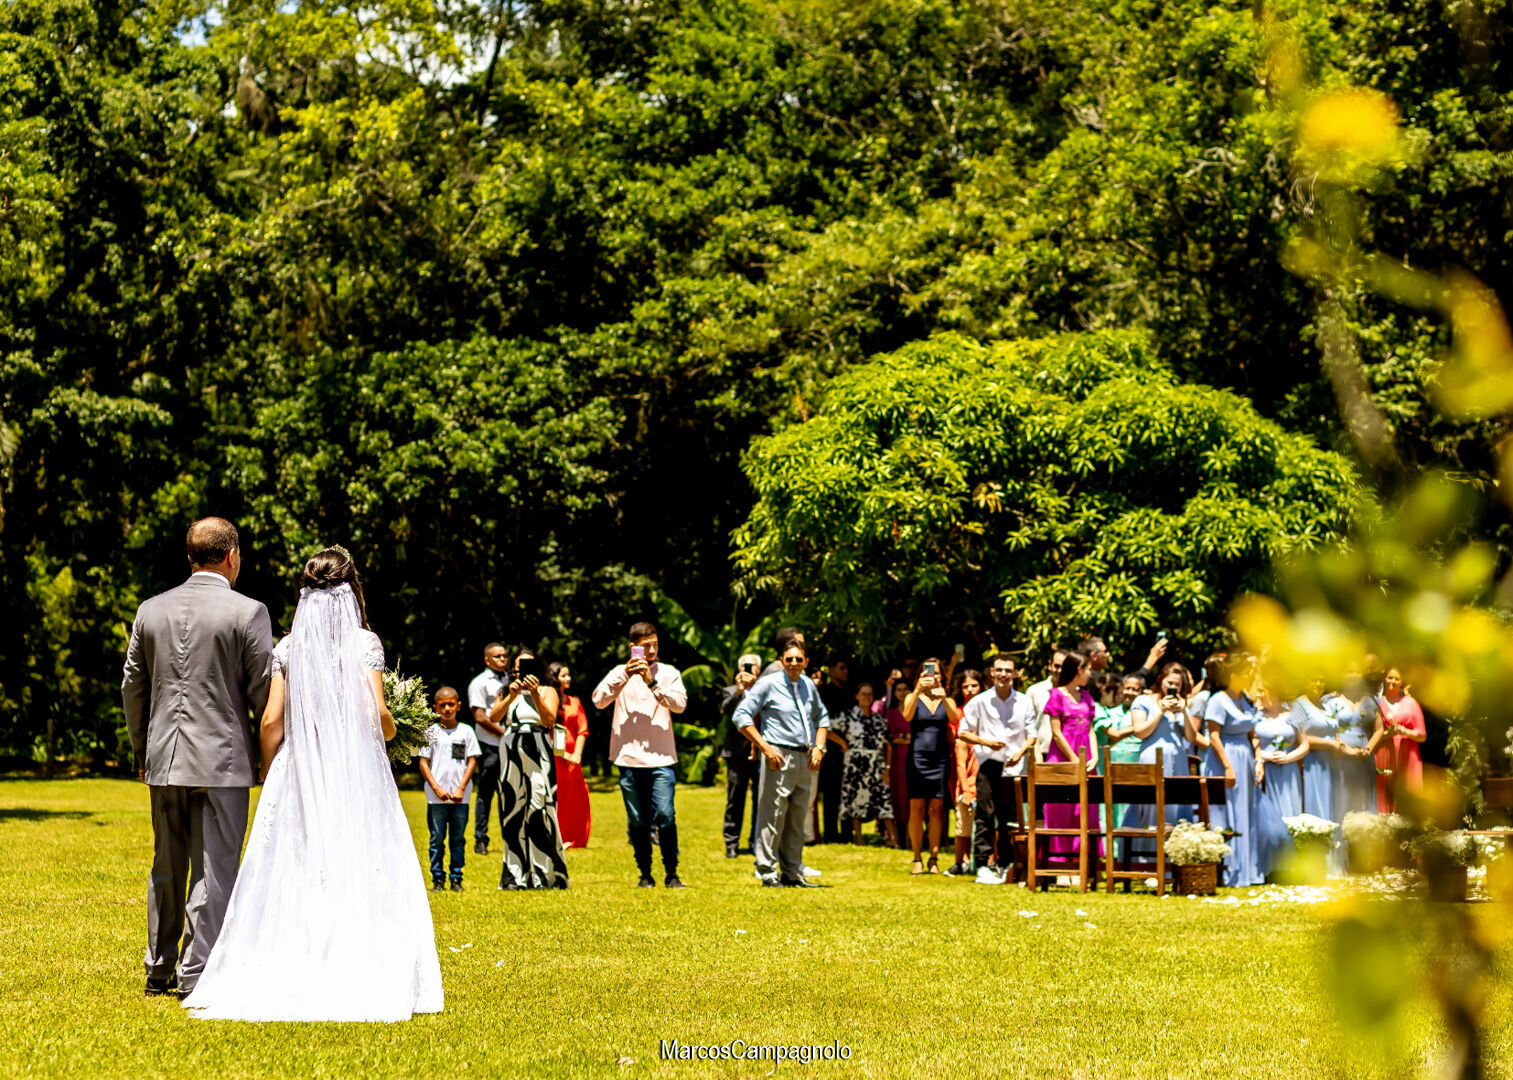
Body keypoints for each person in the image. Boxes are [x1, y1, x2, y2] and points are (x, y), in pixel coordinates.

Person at [181, 545, 442, 1021]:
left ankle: (290, 955)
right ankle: (359, 958)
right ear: (351, 590)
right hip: (354, 773)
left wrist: (267, 768)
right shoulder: (365, 645)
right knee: (358, 859)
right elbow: (378, 716)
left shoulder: (287, 648)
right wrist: (393, 729)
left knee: (291, 862)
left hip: (297, 770)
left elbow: (271, 722)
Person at [121, 517, 274, 999]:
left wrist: (141, 745)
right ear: (230, 557)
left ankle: (158, 966)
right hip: (223, 761)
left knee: (167, 864)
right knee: (215, 867)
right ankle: (197, 971)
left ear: (191, 556)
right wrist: (272, 751)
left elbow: (132, 687)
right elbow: (263, 693)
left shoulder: (150, 610)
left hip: (163, 755)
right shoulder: (249, 612)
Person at [592, 621, 688, 888]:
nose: (652, 650)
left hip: (661, 759)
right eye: (646, 646)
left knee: (666, 815)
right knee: (637, 820)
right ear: (632, 647)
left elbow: (680, 705)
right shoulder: (618, 673)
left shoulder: (668, 673)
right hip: (628, 759)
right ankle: (645, 873)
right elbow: (598, 700)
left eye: (656, 644)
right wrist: (625, 674)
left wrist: (652, 682)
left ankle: (672, 872)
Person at [733, 641, 830, 887]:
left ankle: (792, 872)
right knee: (773, 815)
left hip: (804, 756)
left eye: (799, 659)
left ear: (806, 662)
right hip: (778, 755)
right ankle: (767, 871)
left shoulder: (808, 685)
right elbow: (741, 716)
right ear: (781, 660)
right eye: (789, 659)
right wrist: (765, 747)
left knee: (797, 816)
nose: (794, 663)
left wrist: (819, 747)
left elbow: (822, 717)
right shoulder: (769, 683)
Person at [490, 649, 569, 890]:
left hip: (537, 748)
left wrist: (534, 693)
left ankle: (544, 874)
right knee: (512, 810)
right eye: (516, 667)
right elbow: (494, 717)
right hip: (511, 748)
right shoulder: (506, 691)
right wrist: (511, 696)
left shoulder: (548, 691)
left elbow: (549, 720)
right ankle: (515, 876)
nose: (519, 671)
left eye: (525, 667)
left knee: (539, 808)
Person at [957, 654, 1036, 885]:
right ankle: (982, 865)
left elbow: (1031, 735)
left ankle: (1006, 865)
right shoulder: (980, 701)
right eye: (999, 670)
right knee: (985, 814)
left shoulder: (1024, 701)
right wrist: (985, 742)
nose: (1003, 675)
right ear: (992, 673)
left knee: (1009, 818)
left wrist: (1020, 753)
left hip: (1015, 766)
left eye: (1007, 670)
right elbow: (963, 731)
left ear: (1015, 674)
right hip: (988, 763)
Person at [1202, 653, 1262, 887]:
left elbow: (1252, 732)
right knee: (1227, 811)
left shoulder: (1244, 700)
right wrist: (1228, 766)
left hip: (1245, 757)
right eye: (1247, 672)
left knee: (1246, 811)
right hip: (1225, 758)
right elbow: (1214, 735)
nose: (1251, 676)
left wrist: (1258, 759)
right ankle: (1227, 871)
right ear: (1235, 675)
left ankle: (1247, 870)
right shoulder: (1218, 700)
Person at [901, 657, 961, 875]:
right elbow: (907, 715)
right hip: (917, 758)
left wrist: (944, 697)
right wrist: (917, 690)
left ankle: (933, 858)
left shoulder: (948, 699)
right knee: (916, 809)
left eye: (936, 673)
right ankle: (917, 857)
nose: (932, 676)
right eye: (927, 672)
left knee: (936, 810)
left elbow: (954, 720)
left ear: (941, 676)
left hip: (940, 759)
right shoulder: (912, 696)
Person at [1125, 663, 1195, 850]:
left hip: (1178, 764)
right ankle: (1145, 861)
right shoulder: (1144, 701)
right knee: (1150, 809)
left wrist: (1185, 711)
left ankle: (1173, 861)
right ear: (1160, 680)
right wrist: (1160, 711)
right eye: (1169, 682)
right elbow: (1139, 731)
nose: (1173, 687)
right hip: (1152, 761)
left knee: (1175, 808)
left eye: (1178, 685)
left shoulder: (1182, 705)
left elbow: (1191, 737)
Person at [1042, 650, 1101, 864]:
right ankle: (1058, 862)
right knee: (1060, 810)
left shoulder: (1086, 696)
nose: (1090, 673)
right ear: (1078, 670)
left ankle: (1082, 863)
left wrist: (1094, 756)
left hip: (1086, 759)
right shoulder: (1056, 694)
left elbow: (1091, 729)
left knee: (1084, 810)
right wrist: (1075, 760)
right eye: (1087, 669)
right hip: (1063, 758)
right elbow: (1056, 733)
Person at [418, 687, 480, 891]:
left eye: (451, 704)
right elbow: (423, 762)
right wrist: (436, 788)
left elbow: (471, 761)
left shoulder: (466, 731)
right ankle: (437, 878)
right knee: (436, 838)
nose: (447, 708)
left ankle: (456, 877)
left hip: (459, 797)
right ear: (435, 707)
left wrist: (461, 787)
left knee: (458, 839)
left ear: (458, 706)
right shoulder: (431, 732)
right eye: (442, 705)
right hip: (437, 798)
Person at [1253, 683, 1307, 879]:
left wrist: (1288, 758)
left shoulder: (1293, 714)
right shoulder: (1255, 715)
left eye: (1261, 690)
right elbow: (1253, 743)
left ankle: (1289, 867)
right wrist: (1262, 757)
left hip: (1288, 771)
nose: (1258, 694)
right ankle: (1268, 867)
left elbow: (1304, 745)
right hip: (1265, 771)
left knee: (1289, 814)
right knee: (1267, 820)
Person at [839, 683, 898, 846]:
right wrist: (842, 742)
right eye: (863, 694)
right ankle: (858, 838)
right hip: (855, 763)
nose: (867, 698)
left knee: (884, 800)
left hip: (876, 763)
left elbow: (888, 743)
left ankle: (893, 839)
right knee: (856, 801)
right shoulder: (848, 716)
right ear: (856, 696)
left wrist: (887, 767)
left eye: (870, 694)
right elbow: (827, 728)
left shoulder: (879, 719)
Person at [720, 653, 764, 858]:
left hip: (761, 751)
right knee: (735, 799)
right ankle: (731, 842)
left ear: (759, 670)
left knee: (760, 798)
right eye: (742, 666)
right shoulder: (730, 691)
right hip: (737, 752)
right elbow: (726, 710)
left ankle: (757, 841)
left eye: (750, 666)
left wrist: (755, 687)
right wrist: (739, 691)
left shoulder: (765, 690)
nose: (745, 670)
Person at [466, 643, 509, 855]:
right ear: (487, 660)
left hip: (510, 745)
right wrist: (504, 732)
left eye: (504, 655)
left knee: (509, 793)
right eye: (497, 656)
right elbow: (479, 716)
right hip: (490, 745)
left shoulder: (511, 680)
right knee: (486, 793)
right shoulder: (479, 683)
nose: (502, 659)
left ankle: (510, 838)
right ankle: (480, 840)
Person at [1323, 665, 1378, 824]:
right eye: (1349, 671)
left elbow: (1379, 729)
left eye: (1357, 671)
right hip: (1341, 757)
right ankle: (1342, 844)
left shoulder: (1369, 700)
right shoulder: (1332, 702)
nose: (1353, 675)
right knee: (1343, 799)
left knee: (1364, 798)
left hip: (1364, 757)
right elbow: (1331, 730)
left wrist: (1369, 749)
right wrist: (1347, 750)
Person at [548, 661, 592, 849]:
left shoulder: (575, 702)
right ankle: (558, 836)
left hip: (573, 759)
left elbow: (582, 730)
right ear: (554, 678)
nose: (568, 678)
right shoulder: (547, 702)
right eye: (563, 675)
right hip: (553, 757)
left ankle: (576, 838)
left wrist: (577, 754)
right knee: (558, 797)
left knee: (577, 797)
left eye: (568, 675)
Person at [1092, 672, 1142, 835]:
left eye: (1135, 689)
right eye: (1126, 688)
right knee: (1107, 809)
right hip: (1105, 769)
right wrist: (1141, 726)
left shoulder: (1145, 711)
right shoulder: (1104, 711)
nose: (1129, 692)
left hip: (1132, 771)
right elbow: (1114, 736)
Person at [945, 668, 983, 876]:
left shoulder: (988, 711)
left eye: (974, 685)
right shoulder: (958, 714)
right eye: (965, 686)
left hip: (982, 770)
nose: (970, 690)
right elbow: (956, 748)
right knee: (964, 823)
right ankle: (962, 861)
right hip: (963, 769)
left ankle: (983, 861)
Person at [1373, 665, 1426, 811]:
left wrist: (1404, 731)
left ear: (1401, 682)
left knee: (1407, 791)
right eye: (1390, 677)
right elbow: (1371, 734)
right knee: (1384, 793)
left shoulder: (1410, 702)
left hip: (1408, 754)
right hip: (1384, 754)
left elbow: (1422, 736)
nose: (1393, 681)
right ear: (1385, 679)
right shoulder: (1377, 702)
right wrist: (1388, 733)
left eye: (1396, 679)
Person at [816, 658, 851, 844]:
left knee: (845, 791)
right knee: (830, 794)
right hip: (831, 748)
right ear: (831, 669)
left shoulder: (848, 691)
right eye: (842, 667)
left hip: (848, 748)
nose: (845, 671)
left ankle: (846, 832)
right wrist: (839, 741)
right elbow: (821, 723)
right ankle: (830, 833)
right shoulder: (824, 692)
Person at [884, 677, 912, 842]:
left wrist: (904, 737)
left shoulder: (914, 711)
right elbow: (891, 737)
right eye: (899, 689)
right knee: (896, 796)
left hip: (912, 758)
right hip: (895, 760)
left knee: (910, 796)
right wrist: (906, 737)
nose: (902, 693)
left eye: (905, 689)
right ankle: (895, 837)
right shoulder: (890, 713)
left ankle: (910, 837)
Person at [1028, 648, 1067, 763]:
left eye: (1064, 667)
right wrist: (1037, 756)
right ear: (1050, 665)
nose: (1060, 671)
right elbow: (1029, 727)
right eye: (1057, 666)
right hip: (1041, 754)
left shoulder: (1076, 694)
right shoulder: (1034, 691)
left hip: (1069, 755)